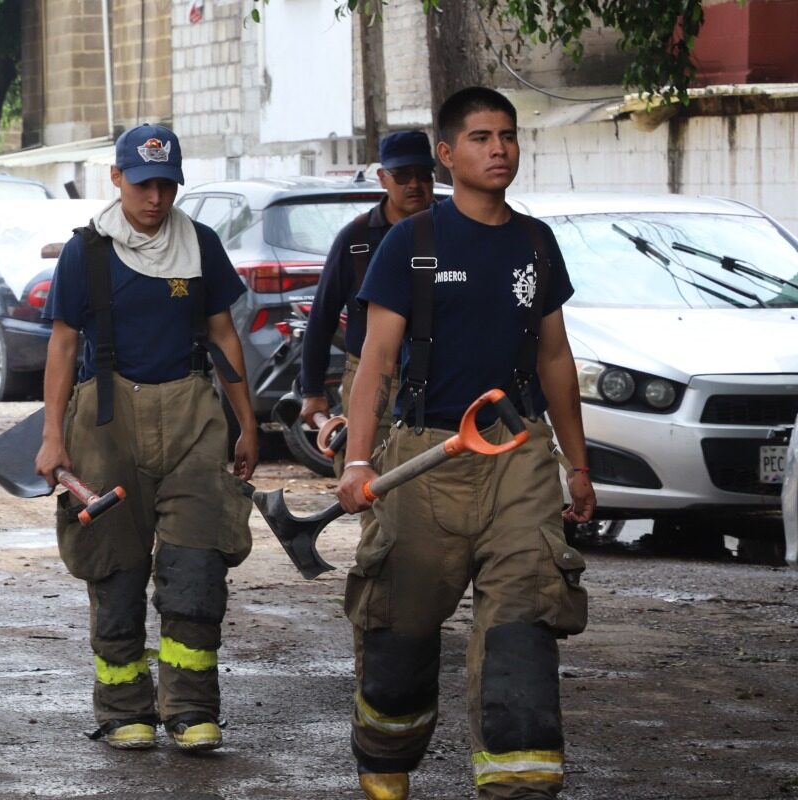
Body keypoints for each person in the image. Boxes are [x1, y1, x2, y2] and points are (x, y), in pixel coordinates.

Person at [336, 87, 594, 800]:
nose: (499, 148)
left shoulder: (535, 243)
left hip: (518, 458)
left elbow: (555, 359)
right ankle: (385, 759)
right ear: (447, 156)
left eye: (507, 135)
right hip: (426, 460)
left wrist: (577, 466)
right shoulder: (411, 243)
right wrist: (357, 460)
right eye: (481, 137)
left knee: (524, 622)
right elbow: (375, 363)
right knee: (400, 634)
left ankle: (517, 784)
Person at [33, 124, 257, 752]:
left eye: (166, 185)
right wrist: (52, 436)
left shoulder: (201, 245)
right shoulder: (87, 251)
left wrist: (246, 424)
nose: (155, 198)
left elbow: (223, 335)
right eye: (142, 184)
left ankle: (191, 708)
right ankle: (123, 708)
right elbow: (62, 346)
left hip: (192, 418)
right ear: (116, 178)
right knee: (115, 567)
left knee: (197, 566)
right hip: (107, 422)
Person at [299, 129, 437, 474]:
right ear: (383, 178)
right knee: (369, 482)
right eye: (402, 175)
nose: (414, 184)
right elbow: (322, 316)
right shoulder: (357, 238)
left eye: (423, 173)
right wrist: (312, 390)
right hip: (372, 380)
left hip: (439, 379)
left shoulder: (452, 230)